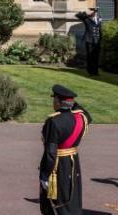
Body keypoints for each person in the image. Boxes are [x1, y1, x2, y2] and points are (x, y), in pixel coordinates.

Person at [39, 84, 91, 215]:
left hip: (58, 166)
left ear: (57, 101)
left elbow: (51, 152)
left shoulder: (54, 121)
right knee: (72, 198)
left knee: (57, 202)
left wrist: (44, 175)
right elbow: (85, 113)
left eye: (54, 100)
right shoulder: (81, 118)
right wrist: (70, 101)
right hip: (73, 162)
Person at [75, 7, 102, 76]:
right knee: (90, 56)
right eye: (94, 11)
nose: (95, 12)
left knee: (96, 56)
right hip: (89, 39)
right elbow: (78, 15)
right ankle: (90, 72)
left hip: (97, 40)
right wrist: (87, 12)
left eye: (96, 11)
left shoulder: (99, 18)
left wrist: (101, 39)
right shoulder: (87, 19)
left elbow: (100, 29)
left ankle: (96, 72)